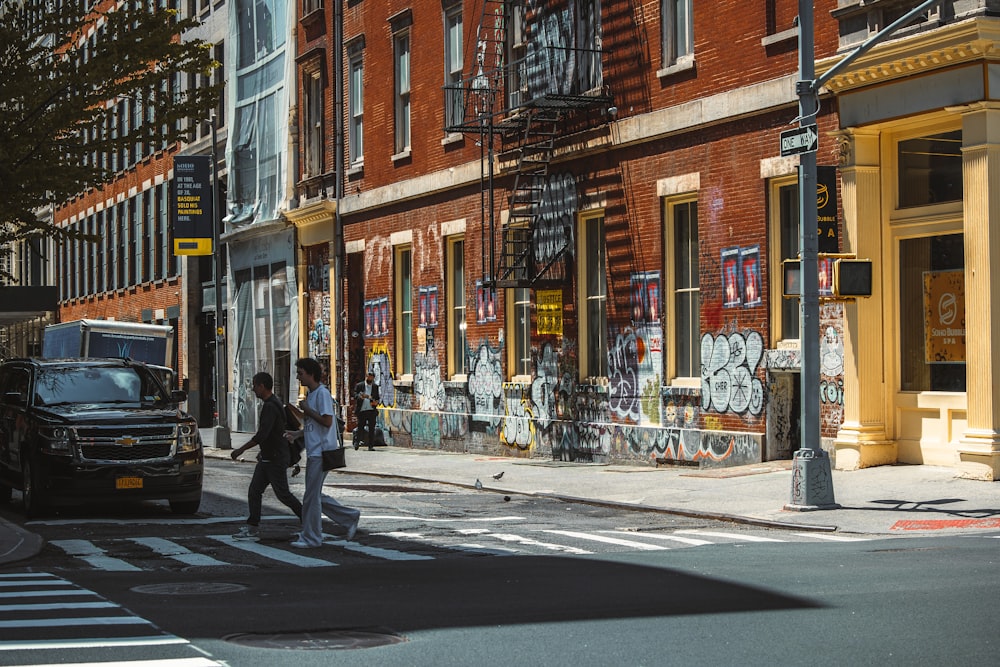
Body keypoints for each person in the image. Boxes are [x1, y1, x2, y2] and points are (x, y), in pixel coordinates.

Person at [283, 358, 360, 547]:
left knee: (311, 496)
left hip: (321, 452)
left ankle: (312, 537)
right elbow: (315, 426)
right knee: (314, 494)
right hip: (315, 451)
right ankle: (349, 517)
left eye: (300, 373)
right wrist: (298, 433)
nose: (298, 377)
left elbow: (327, 421)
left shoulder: (321, 394)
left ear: (310, 373)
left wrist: (307, 410)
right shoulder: (311, 394)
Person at [230, 372, 303, 541]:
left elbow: (263, 435)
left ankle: (309, 521)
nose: (253, 389)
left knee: (283, 494)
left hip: (275, 458)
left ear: (262, 386)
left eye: (254, 386)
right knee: (254, 491)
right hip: (269, 457)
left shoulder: (271, 406)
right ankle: (252, 526)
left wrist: (240, 450)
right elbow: (271, 434)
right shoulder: (273, 403)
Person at [353, 369, 380, 451]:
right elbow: (354, 394)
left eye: (372, 377)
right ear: (366, 377)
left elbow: (377, 398)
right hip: (362, 410)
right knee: (360, 427)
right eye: (369, 377)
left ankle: (370, 445)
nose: (370, 379)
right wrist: (359, 397)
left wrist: (375, 402)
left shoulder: (375, 387)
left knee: (372, 428)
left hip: (371, 409)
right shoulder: (360, 385)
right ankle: (357, 442)